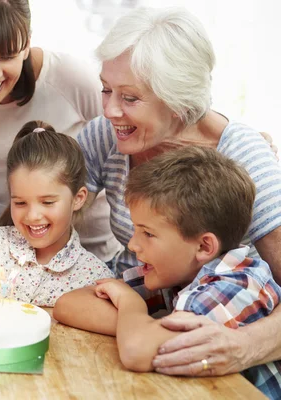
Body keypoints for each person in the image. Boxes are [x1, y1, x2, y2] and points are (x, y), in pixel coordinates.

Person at [54, 7, 281, 378]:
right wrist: (141, 321)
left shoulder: (244, 157)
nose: (110, 111)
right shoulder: (106, 135)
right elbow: (41, 206)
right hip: (148, 316)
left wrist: (245, 345)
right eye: (106, 89)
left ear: (179, 101)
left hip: (220, 344)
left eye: (130, 98)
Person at [57, 147, 281, 398]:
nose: (133, 244)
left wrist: (132, 307)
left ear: (204, 246)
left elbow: (137, 351)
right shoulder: (176, 272)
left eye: (148, 233)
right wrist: (141, 327)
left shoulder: (235, 285)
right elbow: (68, 304)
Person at [0, 0, 121, 263]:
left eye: (7, 56)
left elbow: (124, 154)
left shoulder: (70, 79)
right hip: (13, 262)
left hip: (94, 255)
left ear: (26, 44)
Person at [0, 121, 113, 307]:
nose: (33, 216)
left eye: (47, 202)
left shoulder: (94, 278)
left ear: (78, 198)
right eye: (20, 203)